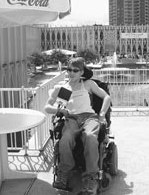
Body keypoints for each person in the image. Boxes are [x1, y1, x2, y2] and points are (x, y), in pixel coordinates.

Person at [44, 57, 111, 194]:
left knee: (90, 137)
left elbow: (106, 97)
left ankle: (91, 176)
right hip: (72, 118)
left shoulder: (88, 84)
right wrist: (60, 110)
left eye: (75, 70)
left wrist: (102, 114)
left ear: (81, 72)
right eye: (69, 69)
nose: (71, 73)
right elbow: (47, 107)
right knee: (65, 139)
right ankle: (64, 171)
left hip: (90, 118)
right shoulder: (63, 88)